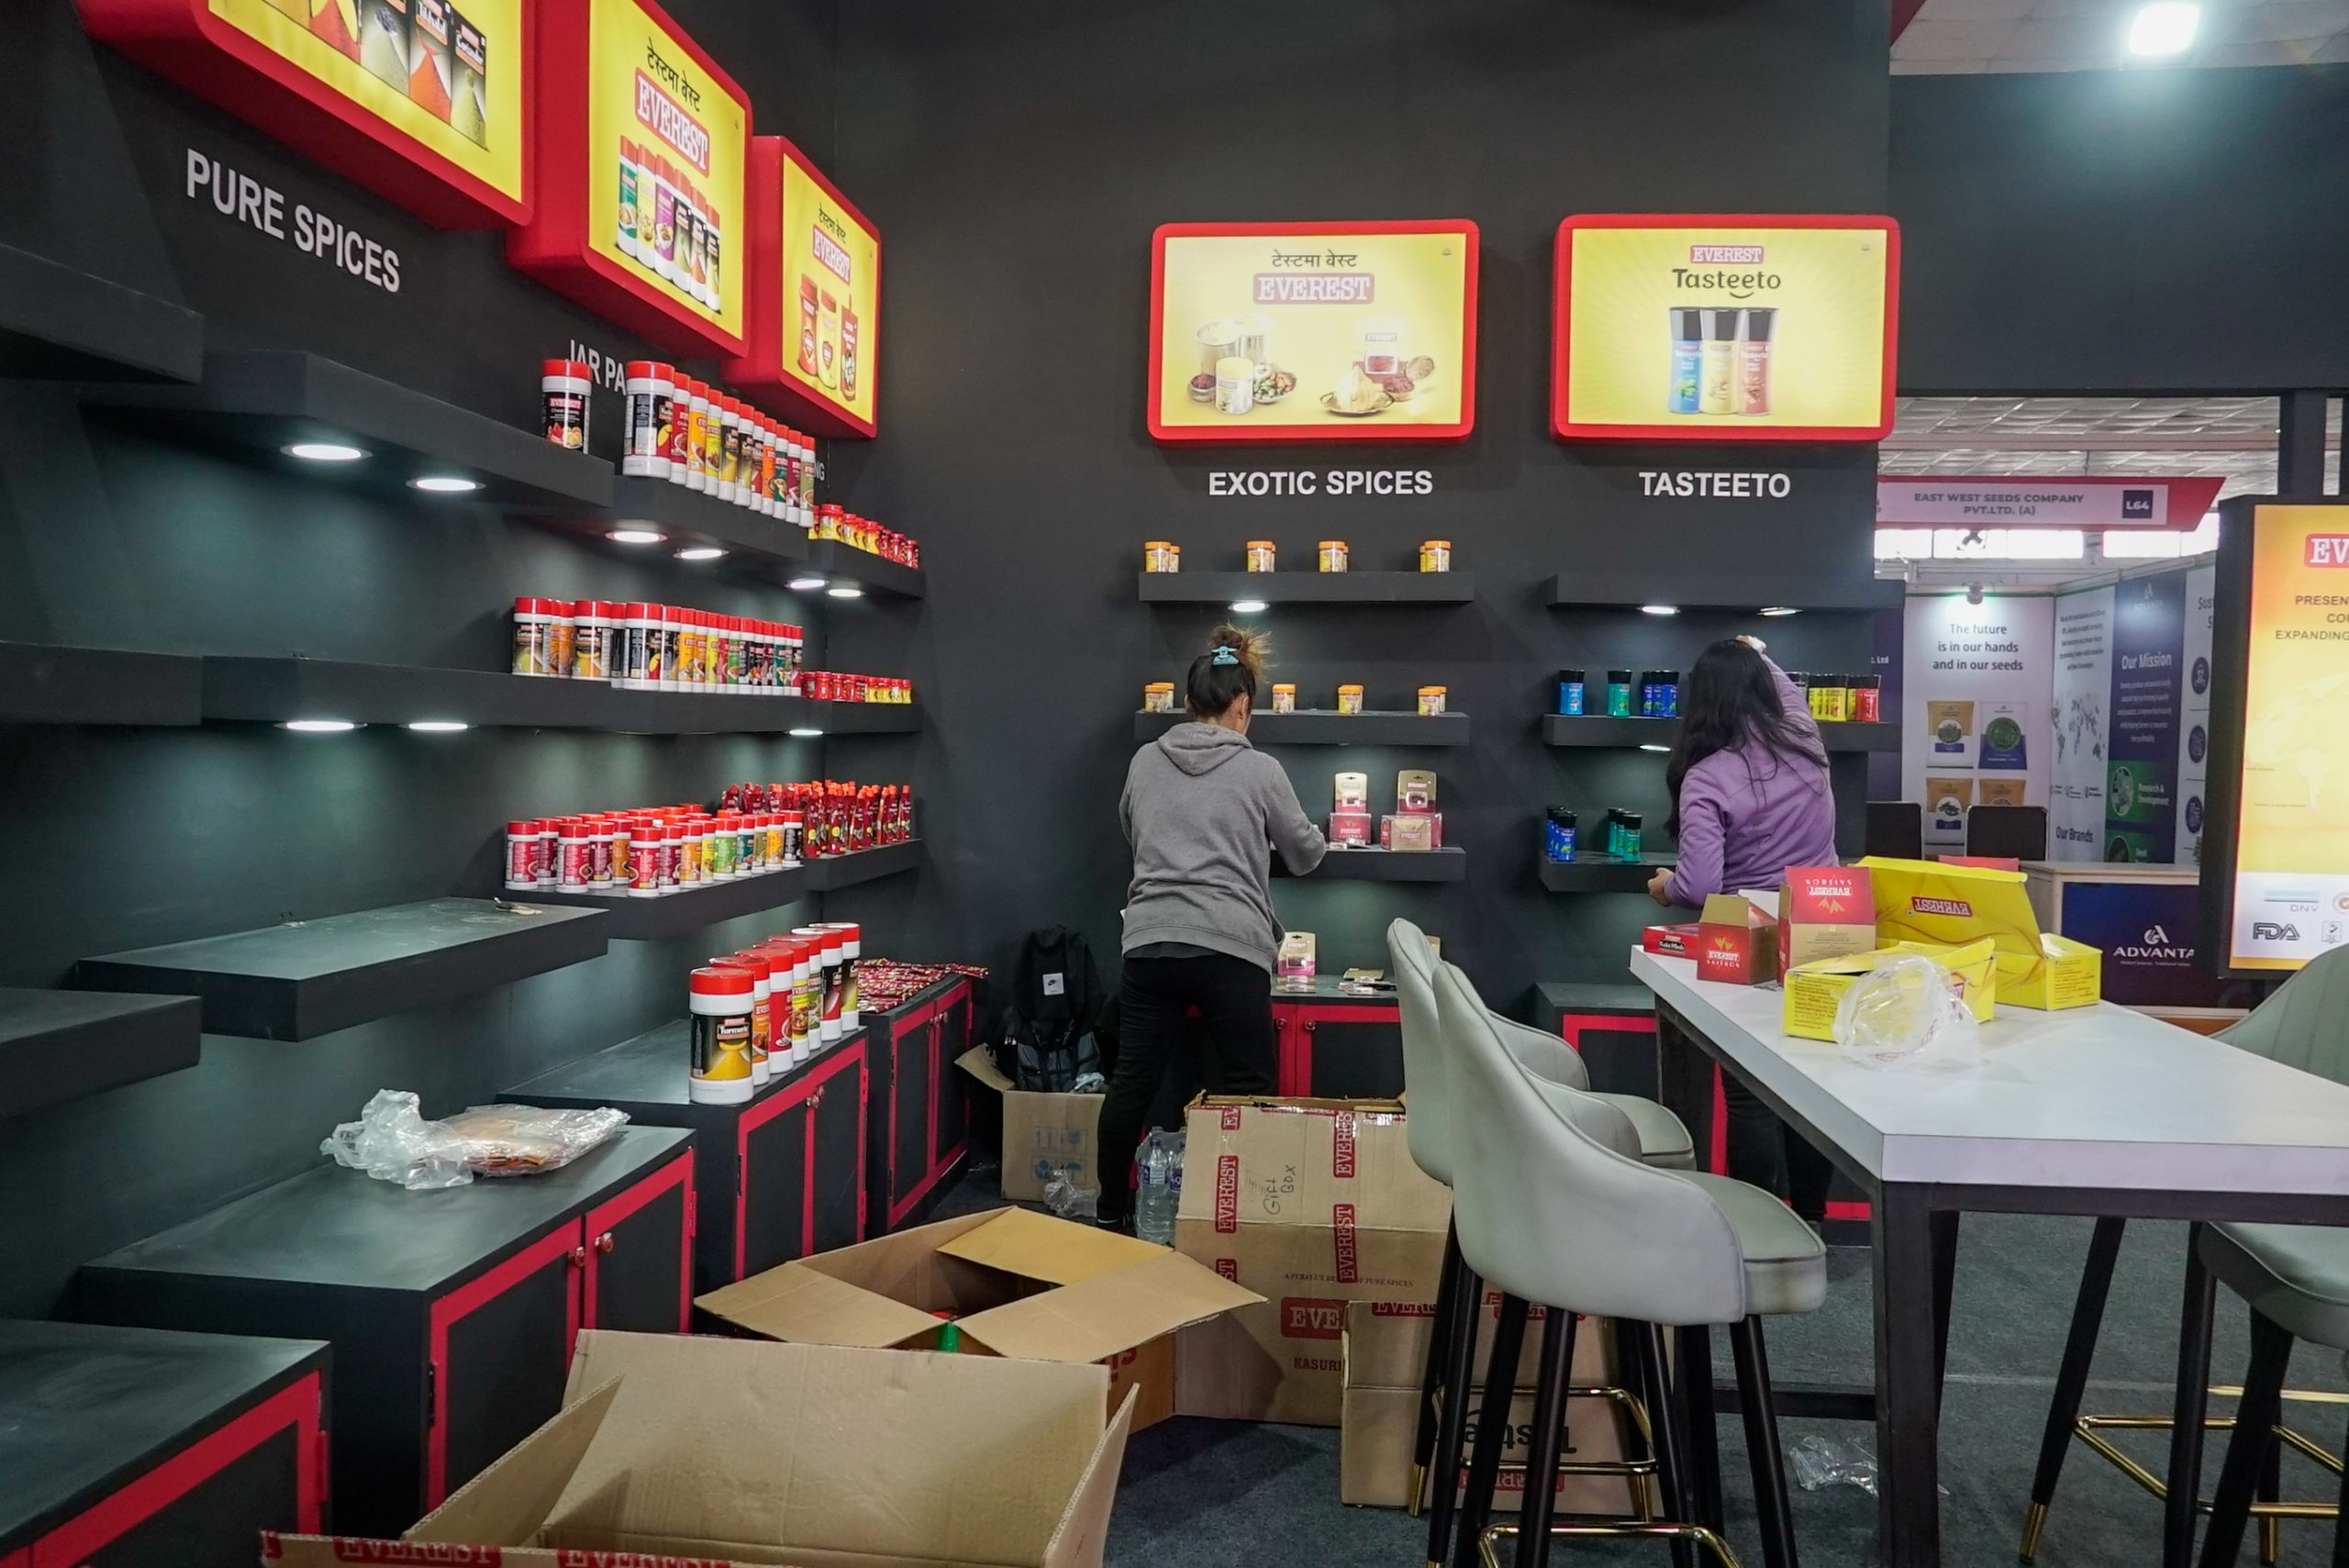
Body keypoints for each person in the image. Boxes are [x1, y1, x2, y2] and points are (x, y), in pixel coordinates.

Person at [1101, 625, 1327, 1229]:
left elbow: (1133, 832)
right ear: (1242, 705)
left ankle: (1109, 1216)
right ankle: (1253, 1219)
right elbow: (1304, 853)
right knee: (1251, 1083)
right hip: (1230, 946)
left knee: (1131, 1084)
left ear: (1187, 703)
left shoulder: (1144, 760)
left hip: (1149, 942)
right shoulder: (1260, 770)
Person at [1647, 634, 1839, 1225]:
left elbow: (1700, 885)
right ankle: (1811, 1218)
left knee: (1749, 1093)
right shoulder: (1807, 743)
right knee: (1812, 1084)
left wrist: (1664, 887)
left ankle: (1758, 1224)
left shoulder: (1709, 776)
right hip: (1822, 928)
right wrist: (1757, 652)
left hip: (1747, 937)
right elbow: (1787, 693)